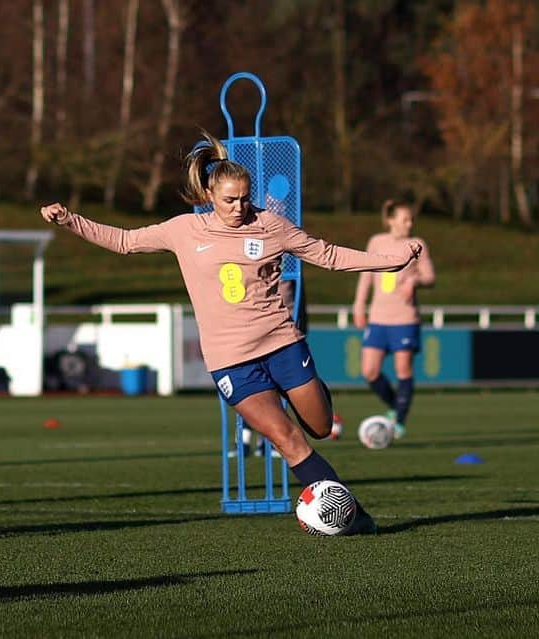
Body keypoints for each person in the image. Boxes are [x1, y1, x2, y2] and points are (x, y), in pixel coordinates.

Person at [41, 134, 423, 535]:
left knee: (321, 426)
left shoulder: (271, 225)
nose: (239, 207)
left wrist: (391, 262)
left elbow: (327, 255)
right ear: (209, 193)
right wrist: (70, 220)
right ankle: (351, 517)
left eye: (244, 198)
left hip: (282, 344)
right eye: (229, 200)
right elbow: (124, 241)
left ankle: (313, 400)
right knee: (286, 438)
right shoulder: (183, 229)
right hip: (231, 361)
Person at [352, 199, 435, 437]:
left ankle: (399, 420)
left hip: (405, 319)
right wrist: (359, 306)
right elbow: (366, 275)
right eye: (404, 219)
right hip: (378, 318)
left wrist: (414, 280)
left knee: (403, 369)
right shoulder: (376, 242)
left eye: (411, 220)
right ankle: (393, 404)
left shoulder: (417, 244)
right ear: (390, 220)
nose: (409, 224)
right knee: (369, 371)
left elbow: (430, 277)